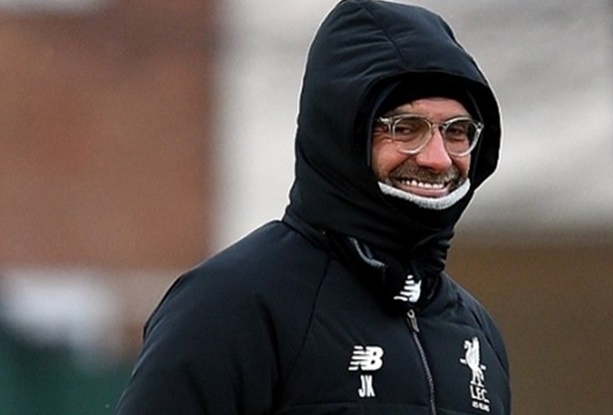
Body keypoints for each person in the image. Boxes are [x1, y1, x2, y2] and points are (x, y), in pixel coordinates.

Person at [115, 0, 510, 413]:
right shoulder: (230, 305)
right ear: (341, 135)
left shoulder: (475, 332)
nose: (438, 158)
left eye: (457, 132)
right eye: (405, 128)